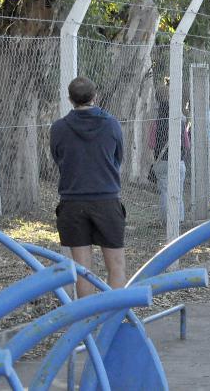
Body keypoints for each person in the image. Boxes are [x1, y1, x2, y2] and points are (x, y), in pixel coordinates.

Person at [50, 76, 126, 297]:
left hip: (72, 202)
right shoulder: (111, 124)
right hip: (106, 200)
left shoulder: (59, 128)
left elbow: (58, 158)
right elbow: (117, 158)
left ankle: (87, 324)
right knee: (116, 265)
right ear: (95, 96)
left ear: (70, 99)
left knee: (84, 270)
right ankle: (115, 319)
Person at [152, 91, 189, 221]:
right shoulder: (181, 124)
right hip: (179, 161)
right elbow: (186, 144)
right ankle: (179, 218)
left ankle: (165, 219)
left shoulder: (157, 123)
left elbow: (151, 144)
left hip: (162, 161)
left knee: (165, 191)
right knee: (178, 191)